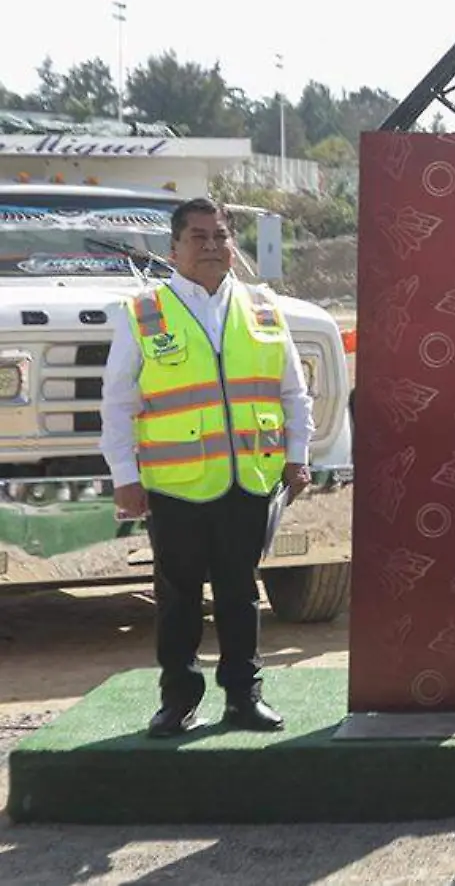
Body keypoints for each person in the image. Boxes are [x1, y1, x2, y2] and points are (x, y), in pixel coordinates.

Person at [100, 198, 314, 738]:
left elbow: (293, 390)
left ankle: (244, 697)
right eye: (199, 237)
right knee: (178, 597)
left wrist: (298, 455)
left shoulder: (263, 307)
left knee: (241, 594)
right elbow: (118, 402)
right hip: (176, 486)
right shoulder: (145, 312)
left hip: (249, 478)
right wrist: (125, 476)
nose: (213, 246)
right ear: (174, 249)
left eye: (221, 236)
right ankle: (178, 700)